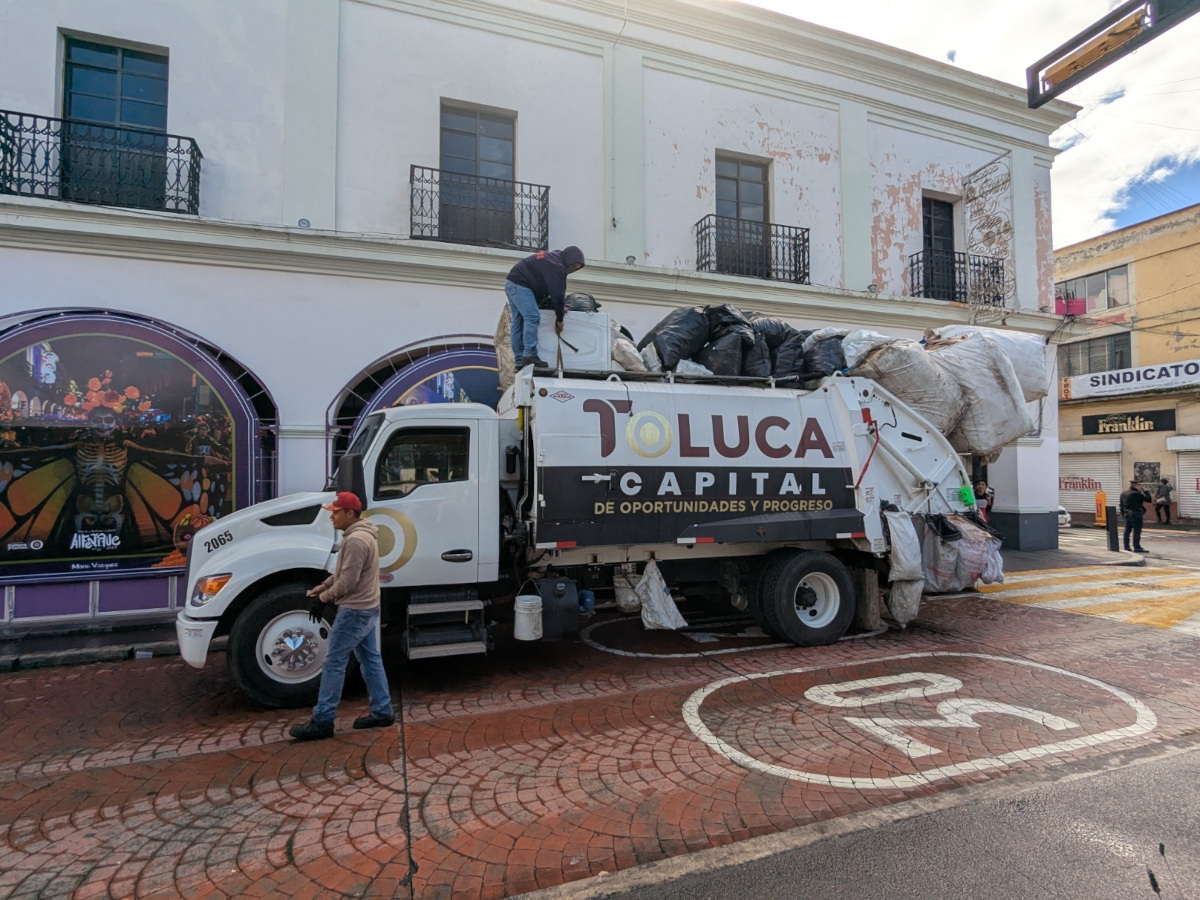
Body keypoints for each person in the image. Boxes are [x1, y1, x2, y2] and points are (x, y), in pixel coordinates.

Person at [289, 491, 394, 741]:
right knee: (370, 660)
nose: (332, 517)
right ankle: (383, 711)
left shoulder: (356, 540)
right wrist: (323, 586)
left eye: (335, 512)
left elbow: (347, 582)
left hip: (354, 611)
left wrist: (323, 600)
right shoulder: (362, 535)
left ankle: (323, 720)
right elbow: (344, 573)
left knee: (334, 662)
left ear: (350, 513)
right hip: (367, 607)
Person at [504, 246, 586, 368]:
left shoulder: (555, 259)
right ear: (568, 259)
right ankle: (529, 355)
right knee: (532, 317)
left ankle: (519, 361)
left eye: (576, 269)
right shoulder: (556, 266)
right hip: (520, 284)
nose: (572, 269)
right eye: (573, 265)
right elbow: (557, 294)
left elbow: (555, 291)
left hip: (513, 282)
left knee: (519, 322)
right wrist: (560, 319)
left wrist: (557, 306)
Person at [1119, 479, 1152, 553]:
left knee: (1127, 531)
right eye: (1140, 485)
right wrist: (1146, 491)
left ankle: (1126, 546)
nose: (1141, 487)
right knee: (1137, 531)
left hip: (1127, 515)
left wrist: (1123, 514)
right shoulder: (1137, 494)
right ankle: (1137, 547)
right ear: (1135, 485)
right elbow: (1148, 499)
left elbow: (1121, 505)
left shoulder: (1124, 493)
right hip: (1136, 514)